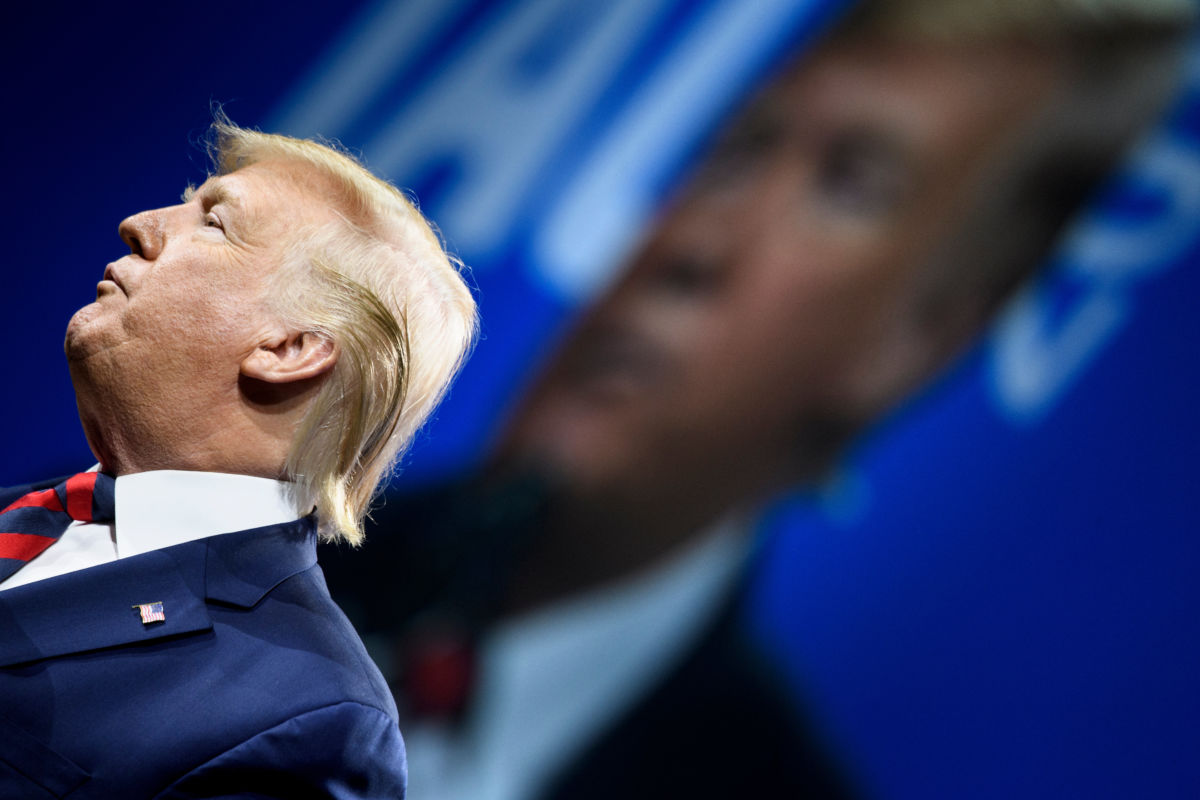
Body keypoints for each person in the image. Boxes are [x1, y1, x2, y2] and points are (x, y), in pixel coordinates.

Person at [320, 1, 1194, 798]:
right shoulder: (233, 547)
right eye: (737, 152)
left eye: (846, 187)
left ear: (918, 341)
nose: (696, 240)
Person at [0, 118, 477, 799]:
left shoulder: (305, 720)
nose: (140, 223)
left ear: (288, 348)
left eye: (215, 224)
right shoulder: (21, 516)